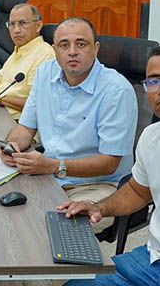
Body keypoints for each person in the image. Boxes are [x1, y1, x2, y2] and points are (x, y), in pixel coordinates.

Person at [0, 17, 137, 232]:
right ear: (54, 50)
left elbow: (109, 162)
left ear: (96, 48)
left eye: (81, 44)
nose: (72, 52)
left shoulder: (117, 91)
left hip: (97, 185)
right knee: (2, 214)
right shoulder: (45, 73)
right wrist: (11, 146)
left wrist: (53, 166)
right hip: (49, 174)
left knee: (54, 233)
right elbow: (25, 128)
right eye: (64, 45)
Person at [60, 46, 160, 285]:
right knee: (76, 283)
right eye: (154, 81)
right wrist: (98, 208)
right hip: (152, 256)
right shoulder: (151, 138)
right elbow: (138, 191)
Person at [0, 3, 54, 120]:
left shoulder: (44, 54)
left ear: (38, 26)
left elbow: (38, 104)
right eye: (12, 24)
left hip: (17, 122)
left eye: (23, 23)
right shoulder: (20, 49)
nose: (16, 30)